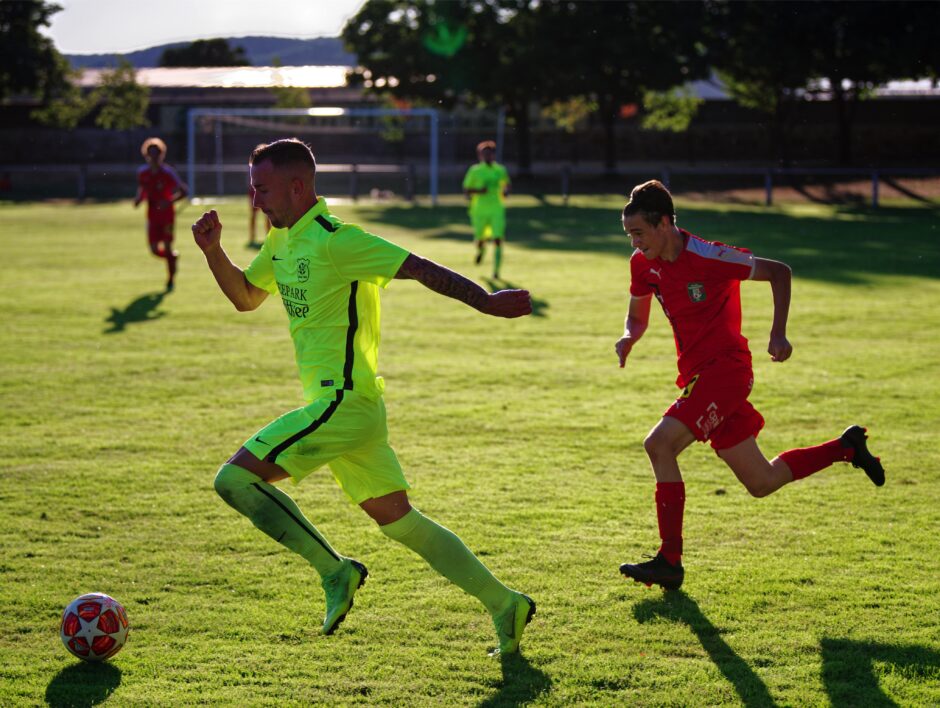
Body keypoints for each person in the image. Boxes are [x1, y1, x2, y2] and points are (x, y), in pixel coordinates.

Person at [191, 138, 536, 655]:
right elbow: (245, 298)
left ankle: (335, 571)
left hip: (342, 402)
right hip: (357, 410)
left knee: (234, 479)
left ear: (298, 186)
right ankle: (505, 603)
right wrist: (213, 252)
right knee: (399, 520)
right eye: (253, 187)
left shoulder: (337, 240)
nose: (255, 199)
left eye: (262, 189)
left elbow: (418, 265)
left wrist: (485, 301)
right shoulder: (281, 242)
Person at [614, 180, 885, 591]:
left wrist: (778, 334)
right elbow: (637, 314)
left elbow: (779, 272)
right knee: (761, 481)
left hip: (726, 372)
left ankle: (669, 560)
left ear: (665, 223)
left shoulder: (710, 256)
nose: (634, 243)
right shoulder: (642, 264)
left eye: (639, 233)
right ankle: (846, 447)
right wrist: (630, 336)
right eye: (629, 235)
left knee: (659, 444)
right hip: (698, 376)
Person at [134, 137, 188, 291]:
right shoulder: (142, 173)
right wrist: (139, 199)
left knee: (167, 247)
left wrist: (169, 201)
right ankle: (173, 259)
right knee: (153, 250)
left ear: (162, 155)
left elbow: (184, 191)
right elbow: (143, 189)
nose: (154, 157)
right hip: (152, 216)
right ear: (146, 155)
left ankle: (170, 279)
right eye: (151, 154)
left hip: (167, 217)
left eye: (157, 154)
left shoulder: (168, 173)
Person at [462, 140, 511, 279]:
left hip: (496, 209)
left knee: (498, 239)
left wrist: (506, 191)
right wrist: (478, 191)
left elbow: (506, 184)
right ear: (480, 156)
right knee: (480, 239)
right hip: (479, 210)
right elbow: (466, 190)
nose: (487, 157)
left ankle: (496, 272)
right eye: (484, 154)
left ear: (494, 155)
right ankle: (481, 250)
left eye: (490, 154)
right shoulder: (475, 171)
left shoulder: (500, 170)